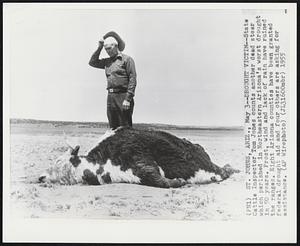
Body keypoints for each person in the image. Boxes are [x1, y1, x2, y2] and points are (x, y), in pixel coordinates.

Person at [89, 31, 137, 130]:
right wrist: (99, 48)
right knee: (113, 128)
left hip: (123, 96)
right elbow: (92, 62)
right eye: (106, 49)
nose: (107, 51)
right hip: (111, 97)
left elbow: (132, 79)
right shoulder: (107, 61)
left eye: (109, 48)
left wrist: (128, 99)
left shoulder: (127, 60)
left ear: (116, 46)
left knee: (125, 128)